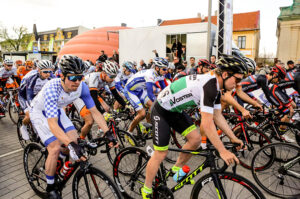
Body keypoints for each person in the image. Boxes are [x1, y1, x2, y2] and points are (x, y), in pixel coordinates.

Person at [141, 54, 246, 198]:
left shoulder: (216, 85)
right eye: (238, 79)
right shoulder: (210, 85)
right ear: (226, 74)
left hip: (175, 110)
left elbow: (217, 115)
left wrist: (233, 138)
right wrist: (222, 150)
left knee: (195, 140)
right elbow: (207, 124)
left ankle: (175, 169)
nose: (238, 84)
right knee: (161, 153)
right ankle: (146, 189)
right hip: (161, 110)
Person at [29, 55, 116, 198]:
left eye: (80, 77)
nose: (77, 81)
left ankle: (59, 166)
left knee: (75, 143)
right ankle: (50, 187)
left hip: (56, 110)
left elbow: (95, 112)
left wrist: (107, 132)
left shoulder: (82, 87)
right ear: (62, 76)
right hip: (40, 112)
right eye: (73, 78)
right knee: (55, 147)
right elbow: (52, 123)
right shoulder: (52, 88)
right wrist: (69, 144)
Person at [124, 57, 168, 135]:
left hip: (140, 90)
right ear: (157, 68)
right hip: (130, 91)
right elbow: (150, 93)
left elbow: (165, 88)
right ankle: (129, 131)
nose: (166, 71)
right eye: (164, 69)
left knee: (152, 106)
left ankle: (149, 126)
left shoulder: (160, 74)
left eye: (166, 69)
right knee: (142, 113)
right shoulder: (150, 74)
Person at [18, 60, 55, 131]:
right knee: (30, 115)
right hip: (25, 96)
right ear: (39, 70)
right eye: (45, 72)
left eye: (50, 71)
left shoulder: (52, 77)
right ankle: (24, 127)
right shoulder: (32, 78)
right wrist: (33, 109)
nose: (48, 74)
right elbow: (29, 95)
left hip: (38, 95)